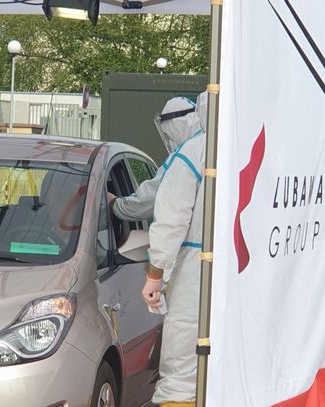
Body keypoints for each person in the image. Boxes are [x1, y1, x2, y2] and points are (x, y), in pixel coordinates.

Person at [143, 92, 208, 407]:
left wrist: (156, 274)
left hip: (196, 271)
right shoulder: (251, 145)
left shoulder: (193, 153)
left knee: (182, 366)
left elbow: (171, 218)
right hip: (244, 266)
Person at [107, 97, 201, 223]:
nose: (169, 140)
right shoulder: (211, 144)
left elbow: (149, 198)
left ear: (175, 126)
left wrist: (114, 203)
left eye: (168, 133)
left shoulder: (185, 155)